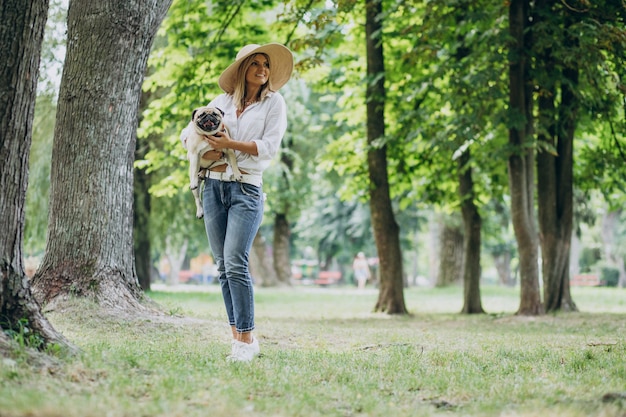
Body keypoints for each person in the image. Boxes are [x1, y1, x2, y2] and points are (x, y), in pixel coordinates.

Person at [180, 43, 293, 362]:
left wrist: (230, 144)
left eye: (266, 64)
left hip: (246, 188)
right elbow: (186, 133)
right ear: (242, 68)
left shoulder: (274, 103)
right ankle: (238, 339)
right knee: (223, 267)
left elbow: (269, 147)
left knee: (235, 261)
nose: (262, 69)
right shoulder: (222, 102)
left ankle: (246, 341)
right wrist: (204, 147)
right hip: (213, 188)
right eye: (255, 63)